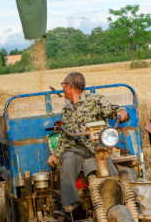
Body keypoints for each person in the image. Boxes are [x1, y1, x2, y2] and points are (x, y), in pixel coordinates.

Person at [47, 72, 129, 219]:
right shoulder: (66, 110)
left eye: (63, 85)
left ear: (69, 87)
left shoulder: (94, 100)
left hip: (96, 146)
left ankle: (120, 200)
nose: (63, 88)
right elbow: (66, 136)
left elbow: (113, 110)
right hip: (76, 148)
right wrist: (55, 154)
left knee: (109, 169)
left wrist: (121, 112)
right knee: (66, 165)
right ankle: (73, 209)